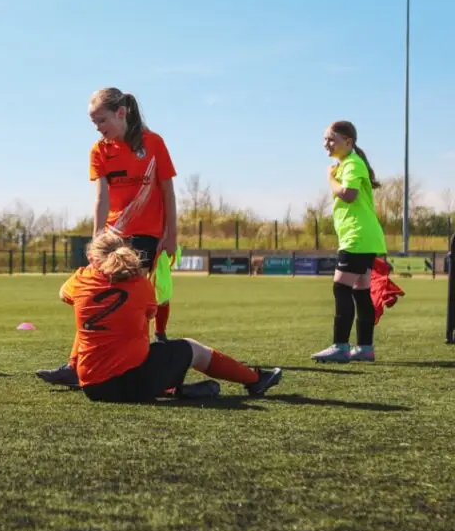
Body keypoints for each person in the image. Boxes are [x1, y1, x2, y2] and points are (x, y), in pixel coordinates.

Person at [38, 87, 178, 386]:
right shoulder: (99, 150)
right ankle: (74, 366)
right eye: (94, 123)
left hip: (146, 236)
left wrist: (171, 235)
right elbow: (101, 199)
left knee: (132, 301)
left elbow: (167, 191)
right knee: (94, 294)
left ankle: (139, 365)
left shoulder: (153, 144)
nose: (99, 128)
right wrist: (96, 241)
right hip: (114, 236)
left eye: (102, 121)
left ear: (121, 113)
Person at [59, 231, 282, 403]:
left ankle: (176, 388)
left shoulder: (80, 279)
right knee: (191, 348)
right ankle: (255, 380)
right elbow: (150, 314)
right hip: (134, 382)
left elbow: (64, 295)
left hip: (92, 387)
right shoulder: (141, 284)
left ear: (92, 258)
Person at [312, 120, 389, 363]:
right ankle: (365, 348)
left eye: (331, 139)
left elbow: (348, 194)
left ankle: (341, 346)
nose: (326, 143)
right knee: (361, 292)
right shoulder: (349, 163)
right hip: (364, 237)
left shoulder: (352, 164)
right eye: (325, 139)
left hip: (357, 238)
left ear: (349, 141)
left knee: (341, 287)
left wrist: (330, 179)